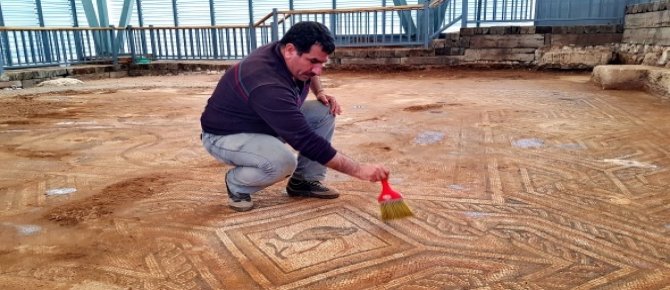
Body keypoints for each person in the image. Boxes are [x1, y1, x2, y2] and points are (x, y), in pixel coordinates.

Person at [200, 21, 389, 212]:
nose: (318, 70)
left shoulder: (285, 51)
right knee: (282, 162)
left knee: (323, 112)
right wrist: (358, 170)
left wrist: (319, 92)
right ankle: (237, 184)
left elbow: (312, 72)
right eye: (313, 61)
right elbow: (306, 141)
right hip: (226, 135)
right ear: (290, 50)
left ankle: (303, 182)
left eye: (322, 63)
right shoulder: (266, 83)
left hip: (263, 122)